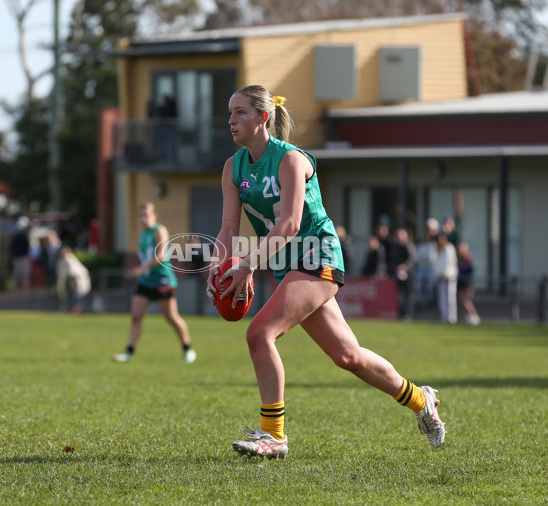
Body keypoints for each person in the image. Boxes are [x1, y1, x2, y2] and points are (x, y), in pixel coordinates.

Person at [206, 85, 445, 460]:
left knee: (260, 333)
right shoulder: (233, 167)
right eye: (230, 113)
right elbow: (228, 228)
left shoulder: (291, 160)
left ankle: (274, 436)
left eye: (240, 112)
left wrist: (249, 265)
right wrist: (220, 266)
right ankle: (421, 399)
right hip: (290, 263)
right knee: (347, 356)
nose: (231, 120)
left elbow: (289, 224)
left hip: (318, 254)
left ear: (263, 117)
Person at [113, 203, 196, 364]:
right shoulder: (142, 235)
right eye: (141, 215)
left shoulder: (159, 230)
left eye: (147, 215)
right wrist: (140, 271)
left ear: (155, 216)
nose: (143, 218)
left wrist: (140, 269)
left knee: (171, 317)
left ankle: (187, 348)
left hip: (162, 280)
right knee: (136, 317)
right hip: (146, 281)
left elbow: (161, 255)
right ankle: (129, 352)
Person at [388, 227, 417, 320]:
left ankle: (408, 314)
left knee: (409, 295)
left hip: (409, 274)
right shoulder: (395, 247)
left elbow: (413, 260)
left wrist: (405, 266)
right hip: (398, 275)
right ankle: (401, 313)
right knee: (399, 295)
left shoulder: (409, 246)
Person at [56, 246, 91, 313]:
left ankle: (78, 309)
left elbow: (72, 271)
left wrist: (65, 275)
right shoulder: (63, 260)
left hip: (80, 280)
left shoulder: (70, 259)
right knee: (74, 295)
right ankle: (75, 308)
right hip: (73, 281)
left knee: (79, 296)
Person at [433, 233, 458, 324]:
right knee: (442, 299)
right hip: (440, 277)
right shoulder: (437, 250)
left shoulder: (449, 248)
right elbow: (436, 264)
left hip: (450, 277)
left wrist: (447, 273)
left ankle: (452, 318)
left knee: (451, 298)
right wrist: (437, 274)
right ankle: (444, 317)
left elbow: (451, 263)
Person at [415, 218, 439, 307]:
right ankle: (420, 305)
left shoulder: (437, 242)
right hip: (422, 268)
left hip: (432, 269)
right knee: (418, 287)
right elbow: (417, 257)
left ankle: (430, 305)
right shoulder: (420, 242)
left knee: (430, 288)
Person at [457, 241, 481, 325]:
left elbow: (470, 271)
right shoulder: (460, 259)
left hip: (467, 283)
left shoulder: (468, 259)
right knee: (462, 301)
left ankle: (473, 316)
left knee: (465, 301)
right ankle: (468, 316)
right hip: (462, 283)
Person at [11, 216, 31, 290]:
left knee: (17, 275)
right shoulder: (23, 236)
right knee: (23, 275)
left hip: (17, 257)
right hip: (22, 258)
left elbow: (12, 248)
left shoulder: (15, 236)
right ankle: (23, 290)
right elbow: (26, 247)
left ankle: (16, 289)